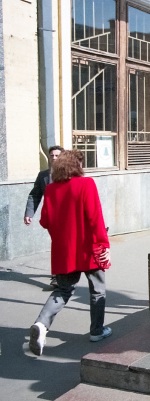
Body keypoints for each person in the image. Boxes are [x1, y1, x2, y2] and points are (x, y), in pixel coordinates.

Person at [28, 150, 111, 356]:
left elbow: (45, 221)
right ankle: (97, 331)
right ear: (76, 165)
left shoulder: (51, 189)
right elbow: (95, 217)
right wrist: (104, 244)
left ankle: (41, 324)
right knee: (97, 289)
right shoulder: (86, 184)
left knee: (63, 290)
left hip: (63, 250)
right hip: (88, 247)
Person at [24, 145, 64, 287]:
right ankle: (58, 276)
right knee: (58, 245)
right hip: (52, 217)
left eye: (57, 155)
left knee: (64, 245)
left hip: (68, 217)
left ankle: (65, 272)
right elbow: (35, 195)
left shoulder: (70, 174)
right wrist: (29, 213)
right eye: (51, 155)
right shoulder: (43, 176)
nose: (54, 158)